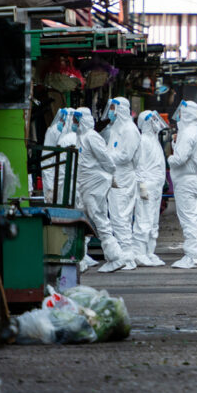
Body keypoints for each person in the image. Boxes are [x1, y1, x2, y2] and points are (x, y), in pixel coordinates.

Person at [72, 107, 128, 273]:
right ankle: (79, 258)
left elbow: (106, 159)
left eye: (76, 120)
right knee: (82, 221)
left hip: (94, 184)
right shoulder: (80, 137)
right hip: (86, 185)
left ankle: (116, 257)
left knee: (99, 219)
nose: (74, 124)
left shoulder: (91, 136)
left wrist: (111, 175)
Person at [168, 100, 197, 269]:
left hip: (186, 180)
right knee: (194, 218)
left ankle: (193, 257)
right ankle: (195, 253)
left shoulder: (188, 133)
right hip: (195, 179)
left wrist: (169, 158)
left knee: (188, 219)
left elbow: (179, 158)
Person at [102, 97, 141, 271]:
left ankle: (127, 256)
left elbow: (125, 156)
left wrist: (106, 157)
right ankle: (124, 255)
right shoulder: (117, 129)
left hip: (124, 177)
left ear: (120, 109)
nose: (110, 112)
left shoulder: (129, 130)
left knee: (121, 216)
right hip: (115, 176)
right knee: (117, 216)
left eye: (112, 108)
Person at [133, 110, 168, 267]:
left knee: (153, 221)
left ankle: (149, 252)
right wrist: (142, 186)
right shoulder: (143, 140)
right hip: (147, 186)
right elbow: (139, 165)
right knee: (143, 220)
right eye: (153, 120)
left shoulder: (154, 140)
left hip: (156, 186)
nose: (156, 123)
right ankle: (139, 253)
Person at [41, 108, 69, 203]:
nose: (61, 122)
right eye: (61, 119)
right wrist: (50, 187)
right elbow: (46, 160)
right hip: (53, 179)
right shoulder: (53, 131)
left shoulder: (72, 134)